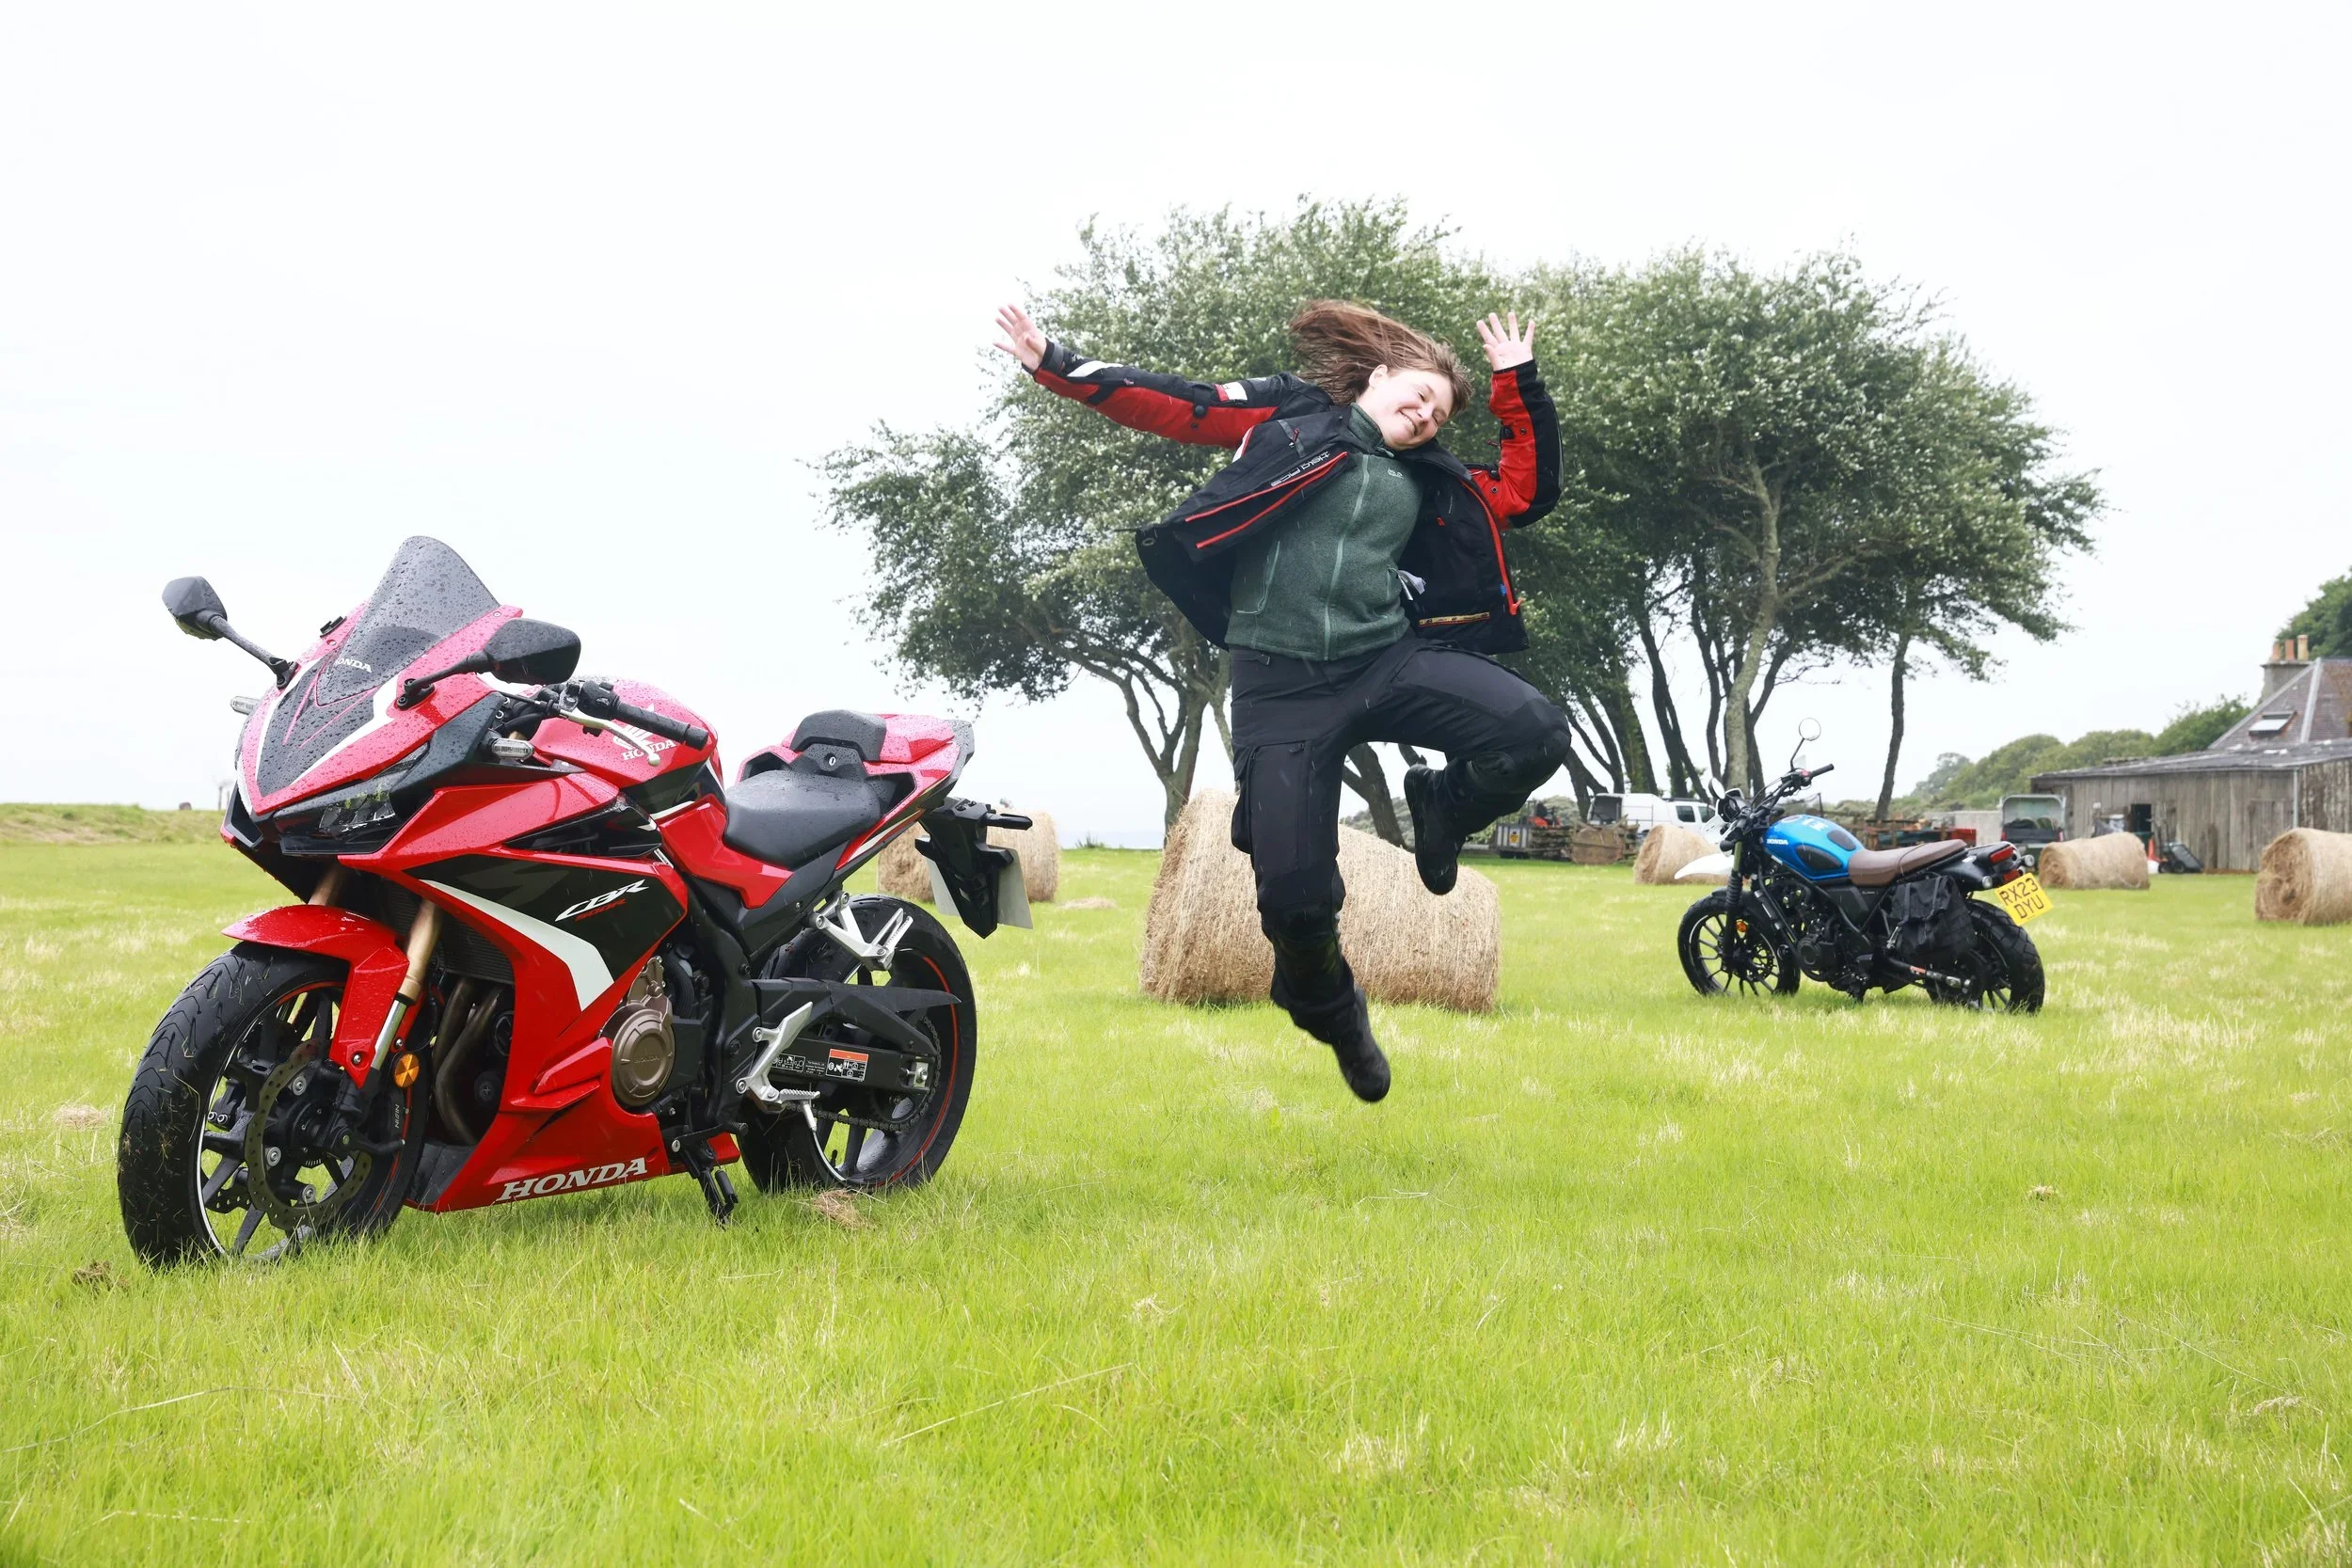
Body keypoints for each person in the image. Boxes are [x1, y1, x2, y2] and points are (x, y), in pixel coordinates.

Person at [993, 299, 1572, 1102]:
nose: (1424, 414)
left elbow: (1528, 490)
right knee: (1296, 902)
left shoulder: (1427, 474)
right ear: (1378, 375)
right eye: (1418, 393)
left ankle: (1443, 805)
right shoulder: (1291, 417)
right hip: (1282, 683)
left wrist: (1518, 385)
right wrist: (1057, 363)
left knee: (1533, 730)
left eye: (1437, 414)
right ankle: (1329, 1004)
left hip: (1386, 660)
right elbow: (1183, 404)